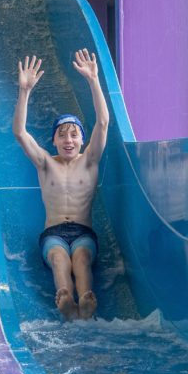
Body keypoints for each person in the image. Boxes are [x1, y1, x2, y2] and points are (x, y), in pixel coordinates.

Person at [13, 49, 110, 320]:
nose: (69, 140)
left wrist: (93, 80)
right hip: (53, 233)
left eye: (74, 134)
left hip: (83, 233)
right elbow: (20, 132)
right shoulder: (46, 163)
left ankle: (87, 299)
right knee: (59, 259)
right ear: (54, 140)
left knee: (80, 259)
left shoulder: (89, 161)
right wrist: (24, 91)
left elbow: (102, 123)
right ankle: (66, 297)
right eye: (62, 135)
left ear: (82, 140)